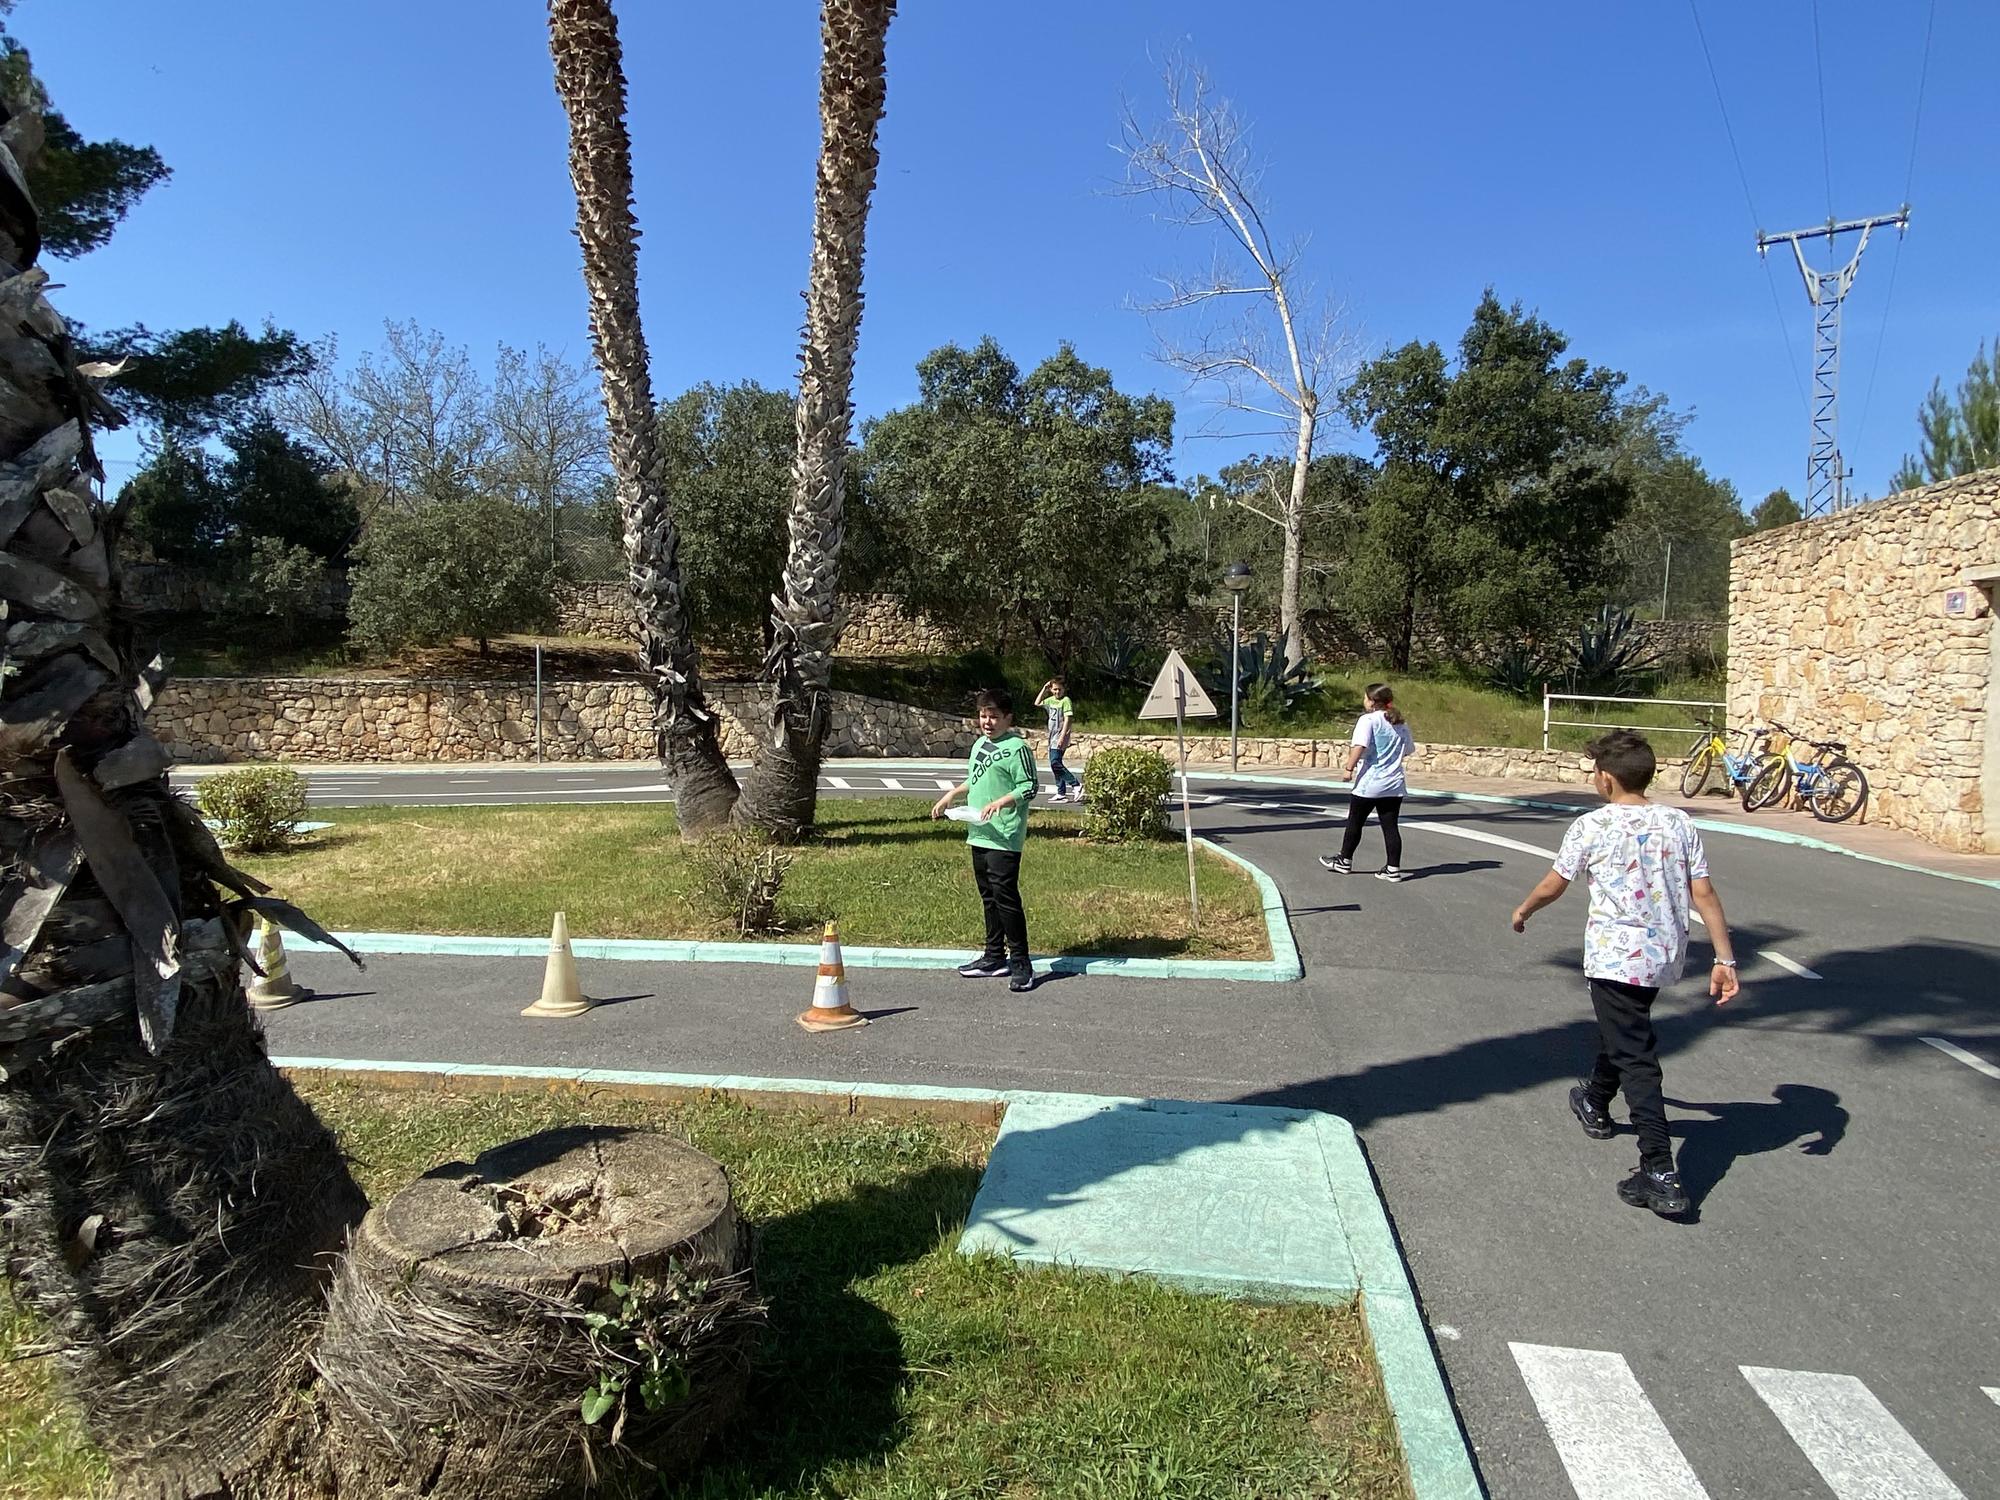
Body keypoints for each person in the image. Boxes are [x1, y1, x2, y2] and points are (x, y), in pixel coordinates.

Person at [1509, 728, 1741, 1218]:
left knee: (1636, 1056)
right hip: (1661, 957)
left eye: (1596, 772)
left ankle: (1660, 1170)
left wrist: (1525, 909)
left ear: (1607, 780)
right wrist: (1724, 959)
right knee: (1626, 1030)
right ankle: (1593, 1098)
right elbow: (1704, 894)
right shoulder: (1679, 823)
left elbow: (1556, 883)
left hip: (1615, 957)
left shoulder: (1592, 826)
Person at [932, 688, 1040, 992]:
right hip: (979, 831)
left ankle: (1021, 963)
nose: (987, 721)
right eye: (983, 715)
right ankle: (994, 957)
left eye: (994, 716)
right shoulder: (980, 744)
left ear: (1008, 718)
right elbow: (977, 777)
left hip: (1004, 835)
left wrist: (1001, 802)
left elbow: (1030, 787)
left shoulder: (1017, 747)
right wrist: (952, 794)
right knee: (988, 897)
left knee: (1006, 899)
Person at [1320, 682, 1415, 881]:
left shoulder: (1368, 720)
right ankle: (1393, 869)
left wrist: (1348, 769)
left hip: (1370, 783)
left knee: (1355, 821)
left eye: (1365, 697)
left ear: (1372, 701)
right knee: (1390, 826)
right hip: (1394, 783)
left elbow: (1359, 746)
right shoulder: (1400, 722)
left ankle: (1344, 860)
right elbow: (1408, 749)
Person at [1035, 677, 1079, 802]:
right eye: (1054, 689)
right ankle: (1061, 793)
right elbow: (1037, 703)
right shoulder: (1050, 700)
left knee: (1055, 763)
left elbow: (1067, 720)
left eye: (1059, 689)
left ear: (1064, 689)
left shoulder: (1066, 701)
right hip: (1051, 736)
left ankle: (1075, 784)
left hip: (1060, 736)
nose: (1057, 692)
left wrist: (1062, 737)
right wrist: (1044, 688)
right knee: (1055, 764)